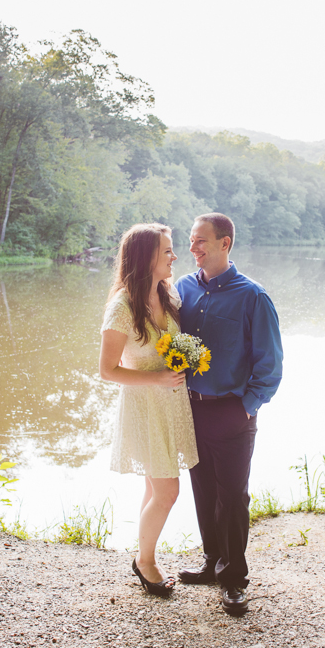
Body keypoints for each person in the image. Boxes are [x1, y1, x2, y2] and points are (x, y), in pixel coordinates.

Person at [174, 212, 283, 615]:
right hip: (189, 409)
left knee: (232, 497)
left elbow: (269, 365)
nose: (193, 248)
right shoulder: (181, 288)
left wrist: (246, 407)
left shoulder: (253, 296)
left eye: (201, 241)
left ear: (225, 243)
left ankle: (234, 578)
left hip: (232, 412)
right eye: (190, 241)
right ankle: (211, 563)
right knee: (202, 489)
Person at [99, 223, 199, 597]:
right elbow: (107, 370)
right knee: (168, 492)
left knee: (155, 487)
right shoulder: (122, 305)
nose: (175, 256)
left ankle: (144, 554)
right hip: (144, 407)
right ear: (147, 258)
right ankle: (145, 562)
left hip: (170, 407)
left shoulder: (167, 293)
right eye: (168, 251)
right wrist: (157, 379)